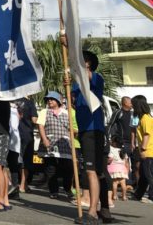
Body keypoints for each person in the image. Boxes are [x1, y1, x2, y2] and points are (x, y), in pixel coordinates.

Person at [72, 50, 111, 224]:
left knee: (91, 171)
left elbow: (87, 77)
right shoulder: (76, 84)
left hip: (93, 130)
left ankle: (93, 212)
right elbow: (74, 100)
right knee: (98, 171)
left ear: (88, 64)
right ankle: (104, 209)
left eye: (83, 60)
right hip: (84, 130)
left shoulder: (96, 77)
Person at [37, 91, 73, 200]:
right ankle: (54, 191)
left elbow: (70, 128)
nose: (49, 101)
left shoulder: (67, 113)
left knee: (68, 169)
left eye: (52, 99)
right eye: (48, 99)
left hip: (64, 145)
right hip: (50, 143)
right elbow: (41, 126)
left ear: (58, 101)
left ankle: (67, 188)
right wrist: (44, 139)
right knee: (50, 168)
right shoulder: (44, 111)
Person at [131, 94, 153, 203]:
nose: (132, 107)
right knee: (144, 174)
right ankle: (138, 194)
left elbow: (147, 134)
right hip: (147, 150)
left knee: (149, 175)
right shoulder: (144, 118)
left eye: (134, 104)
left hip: (148, 151)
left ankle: (152, 197)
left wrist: (143, 149)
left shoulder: (146, 118)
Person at [17, 96, 38, 192]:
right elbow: (34, 119)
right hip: (26, 134)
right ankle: (23, 185)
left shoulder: (12, 101)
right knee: (26, 160)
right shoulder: (30, 102)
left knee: (15, 158)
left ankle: (13, 183)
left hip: (14, 133)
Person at [107, 133, 129, 202]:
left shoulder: (112, 150)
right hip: (122, 169)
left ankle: (115, 195)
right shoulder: (123, 151)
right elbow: (126, 162)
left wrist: (107, 162)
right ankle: (124, 196)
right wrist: (127, 170)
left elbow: (110, 159)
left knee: (115, 183)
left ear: (114, 143)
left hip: (114, 168)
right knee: (123, 183)